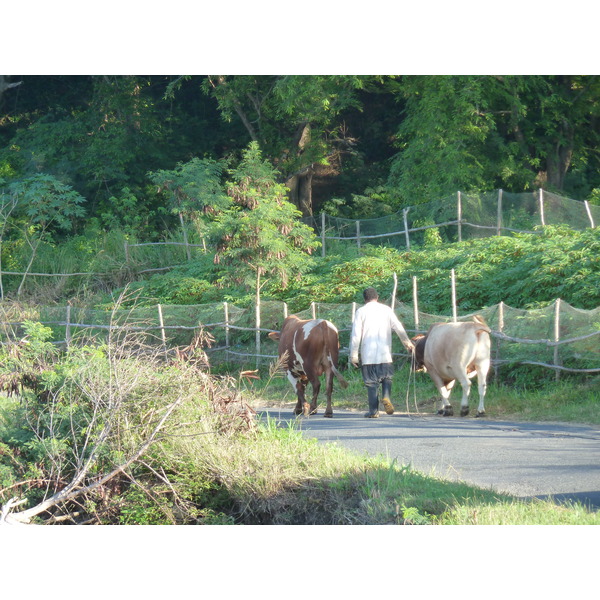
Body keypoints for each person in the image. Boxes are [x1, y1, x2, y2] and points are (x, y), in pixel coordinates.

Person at [350, 287, 415, 418]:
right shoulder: (386, 310)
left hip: (368, 355)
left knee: (371, 382)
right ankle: (386, 396)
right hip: (385, 353)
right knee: (387, 378)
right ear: (377, 297)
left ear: (364, 299)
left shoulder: (361, 311)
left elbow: (356, 335)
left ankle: (373, 411)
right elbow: (398, 327)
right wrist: (407, 343)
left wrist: (354, 354)